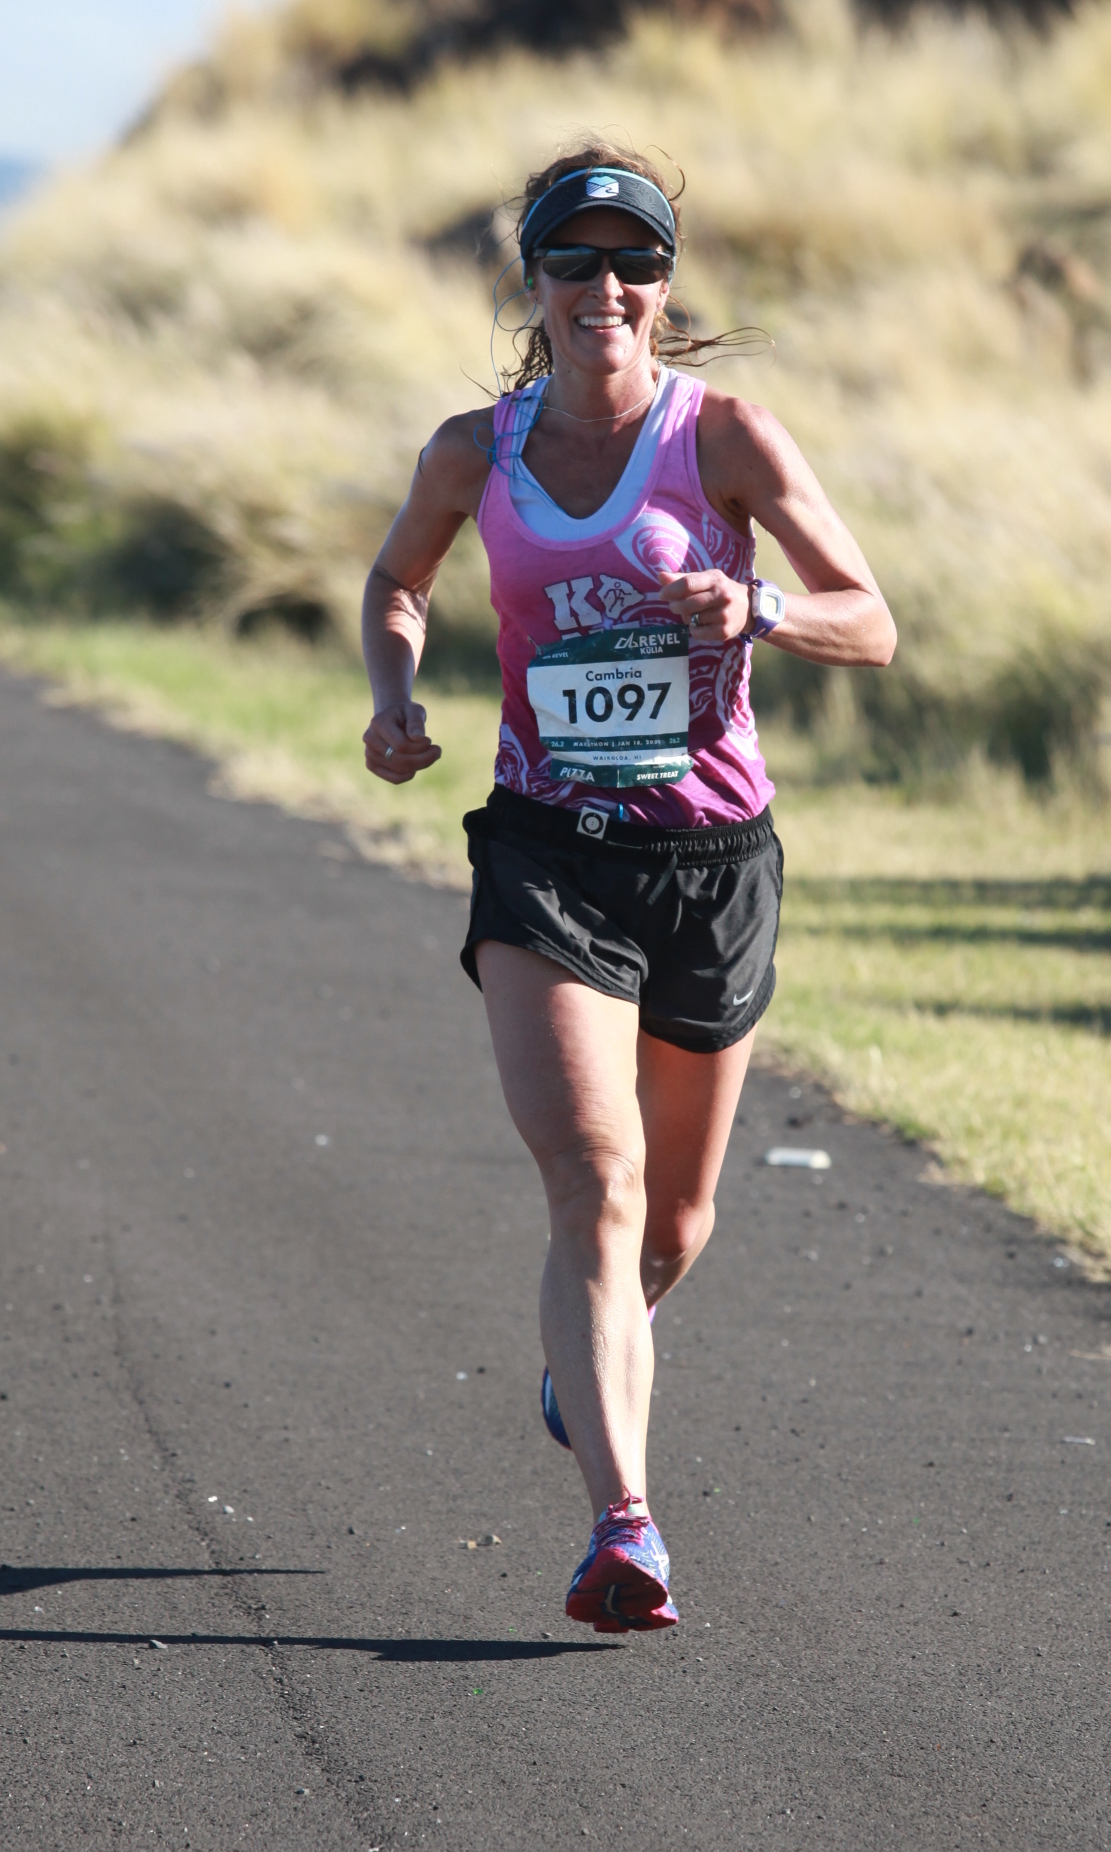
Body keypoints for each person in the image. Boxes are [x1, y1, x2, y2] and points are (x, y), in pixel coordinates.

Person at [361, 143, 896, 1633]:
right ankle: (625, 1528)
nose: (605, 286)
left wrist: (758, 604)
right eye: (574, 261)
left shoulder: (725, 439)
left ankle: (591, 1355)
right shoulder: (474, 451)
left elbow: (872, 621)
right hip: (548, 848)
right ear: (533, 283)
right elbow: (399, 581)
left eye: (633, 263)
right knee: (594, 1183)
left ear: (664, 286)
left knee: (673, 1224)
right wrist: (394, 698)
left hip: (711, 859)